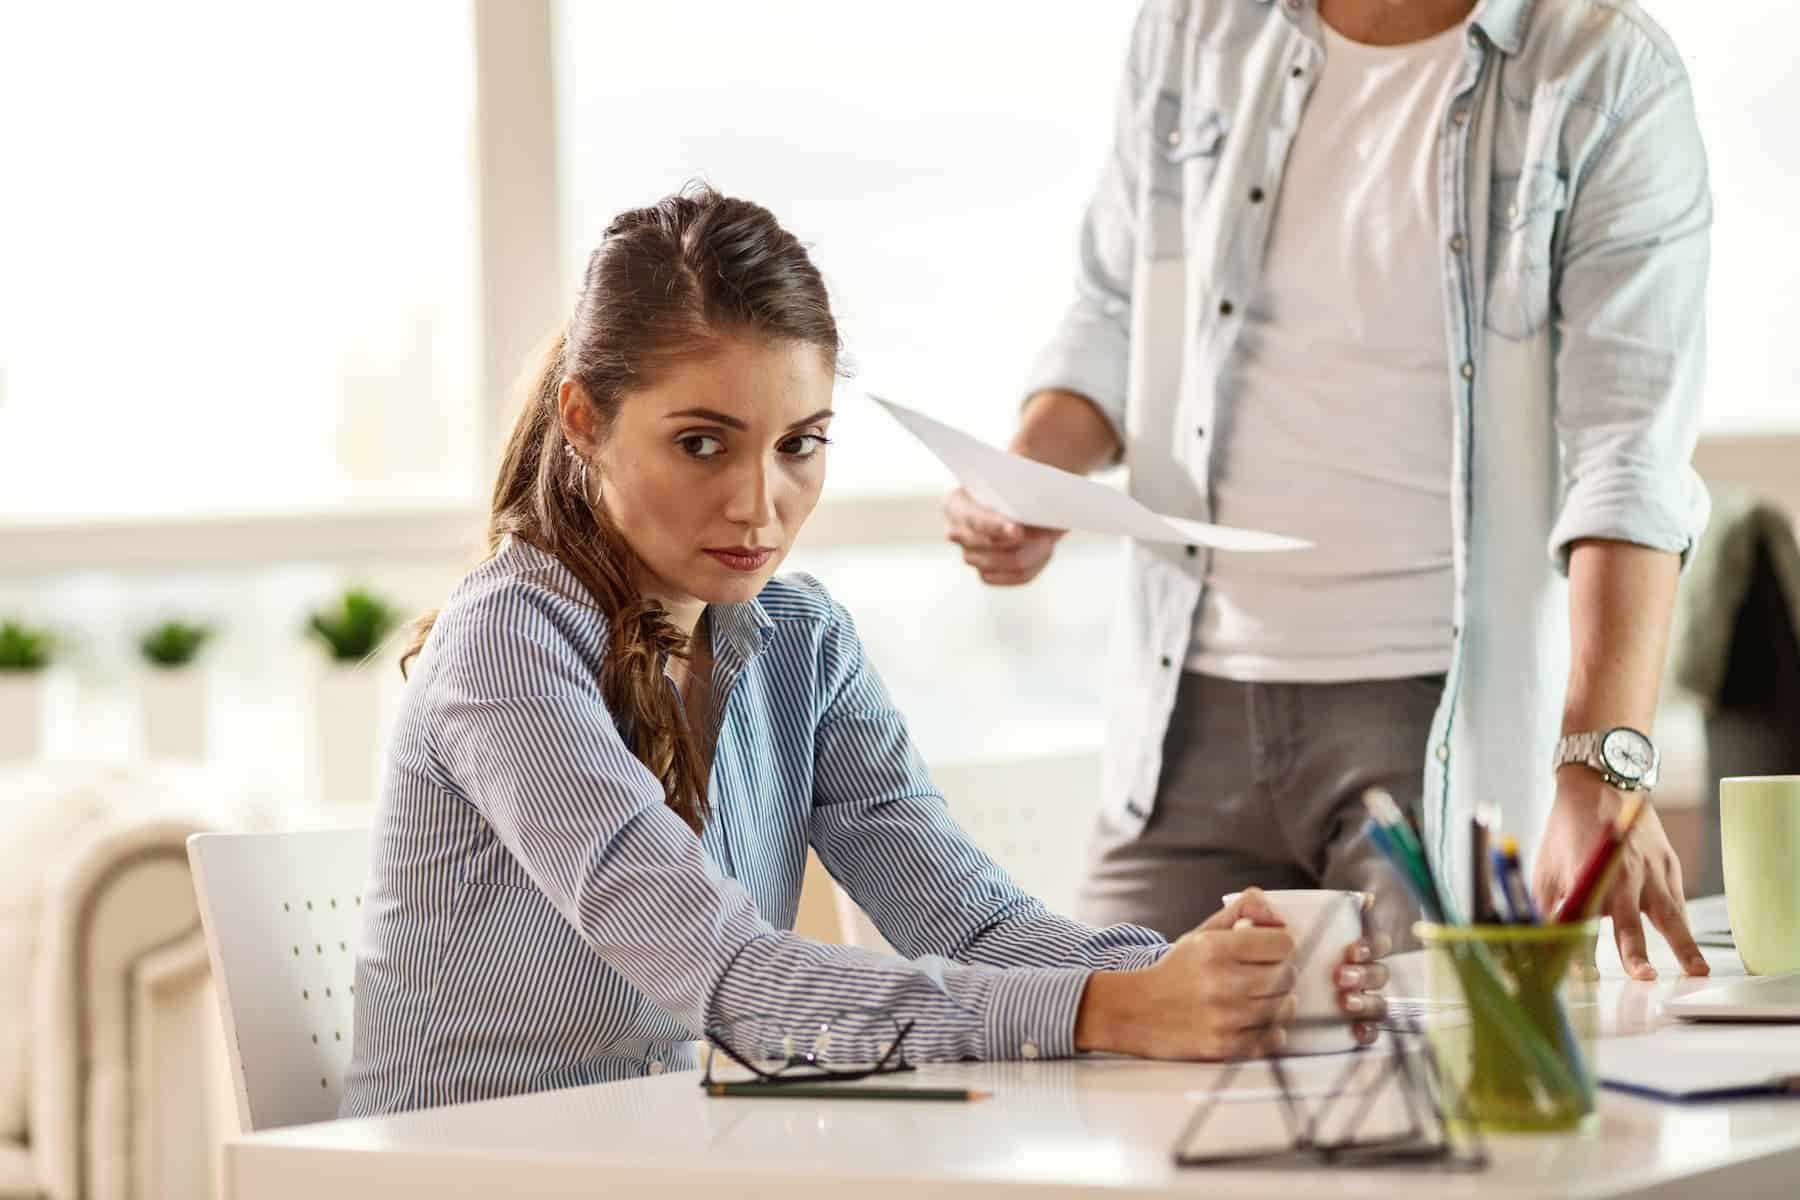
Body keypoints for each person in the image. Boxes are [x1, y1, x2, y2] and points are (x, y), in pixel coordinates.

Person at [339, 187, 1387, 1116]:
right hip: (472, 1169)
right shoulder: (507, 647)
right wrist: (1113, 1007)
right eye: (701, 443)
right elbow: (735, 983)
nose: (761, 505)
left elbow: (973, 924)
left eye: (800, 444)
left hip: (670, 1155)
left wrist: (1212, 976)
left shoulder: (800, 641)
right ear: (585, 420)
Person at [945, 0, 1712, 979]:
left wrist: (1601, 765)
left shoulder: (1605, 71)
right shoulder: (1195, 26)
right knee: (1119, 1078)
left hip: (1437, 727)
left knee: (1416, 1096)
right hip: (1183, 715)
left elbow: (1629, 448)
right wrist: (1029, 479)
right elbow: (1117, 310)